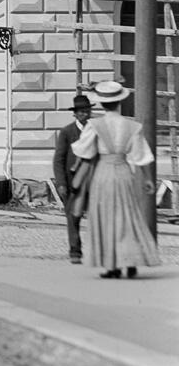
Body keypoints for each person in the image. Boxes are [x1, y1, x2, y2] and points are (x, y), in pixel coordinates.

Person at [71, 81, 162, 279]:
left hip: (103, 173)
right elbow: (140, 155)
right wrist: (147, 178)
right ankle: (130, 262)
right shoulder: (131, 126)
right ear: (119, 103)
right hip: (123, 172)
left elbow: (84, 151)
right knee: (127, 217)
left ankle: (111, 265)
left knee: (106, 218)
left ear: (102, 104)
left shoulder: (95, 125)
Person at [52, 94, 92, 263]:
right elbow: (59, 159)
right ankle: (75, 250)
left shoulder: (95, 129)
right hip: (72, 181)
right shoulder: (67, 132)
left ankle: (100, 250)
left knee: (96, 216)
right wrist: (61, 183)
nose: (83, 114)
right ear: (74, 114)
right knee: (72, 217)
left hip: (92, 180)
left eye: (86, 111)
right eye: (80, 112)